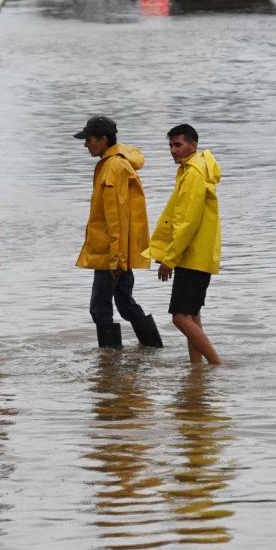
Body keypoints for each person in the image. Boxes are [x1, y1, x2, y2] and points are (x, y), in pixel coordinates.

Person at [74, 116, 163, 350]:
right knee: (124, 302)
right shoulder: (117, 162)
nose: (86, 145)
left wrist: (116, 258)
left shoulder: (113, 167)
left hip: (111, 253)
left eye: (89, 140)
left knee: (99, 308)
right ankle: (152, 347)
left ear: (104, 140)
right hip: (119, 250)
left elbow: (117, 219)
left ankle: (110, 361)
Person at [148, 124, 222, 365]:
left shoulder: (193, 173)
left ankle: (216, 364)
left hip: (192, 256)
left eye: (178, 145)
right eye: (170, 145)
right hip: (198, 255)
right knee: (192, 315)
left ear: (193, 145)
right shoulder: (192, 169)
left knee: (180, 318)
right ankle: (197, 370)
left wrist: (169, 259)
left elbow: (187, 222)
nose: (173, 150)